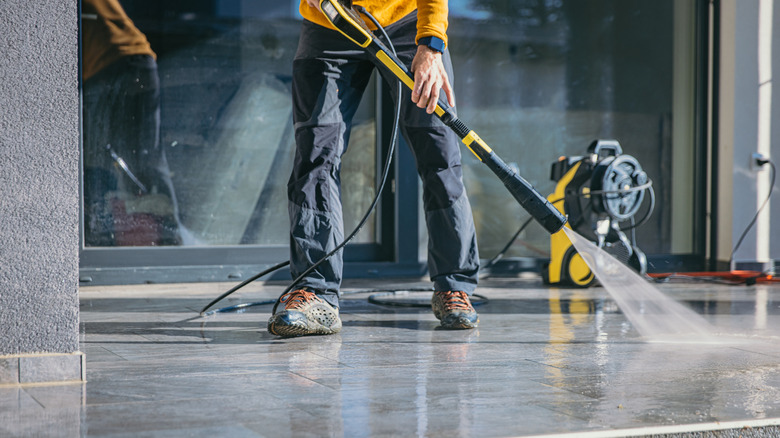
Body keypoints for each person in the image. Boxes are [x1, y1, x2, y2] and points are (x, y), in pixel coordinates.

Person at [267, 0, 480, 337]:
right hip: (330, 22)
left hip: (408, 23)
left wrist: (432, 43)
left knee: (439, 154)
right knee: (315, 157)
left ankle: (454, 285)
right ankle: (314, 291)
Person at [82, 0, 181, 247]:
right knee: (131, 160)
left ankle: (169, 240)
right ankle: (160, 237)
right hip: (118, 63)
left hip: (119, 62)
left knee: (139, 160)